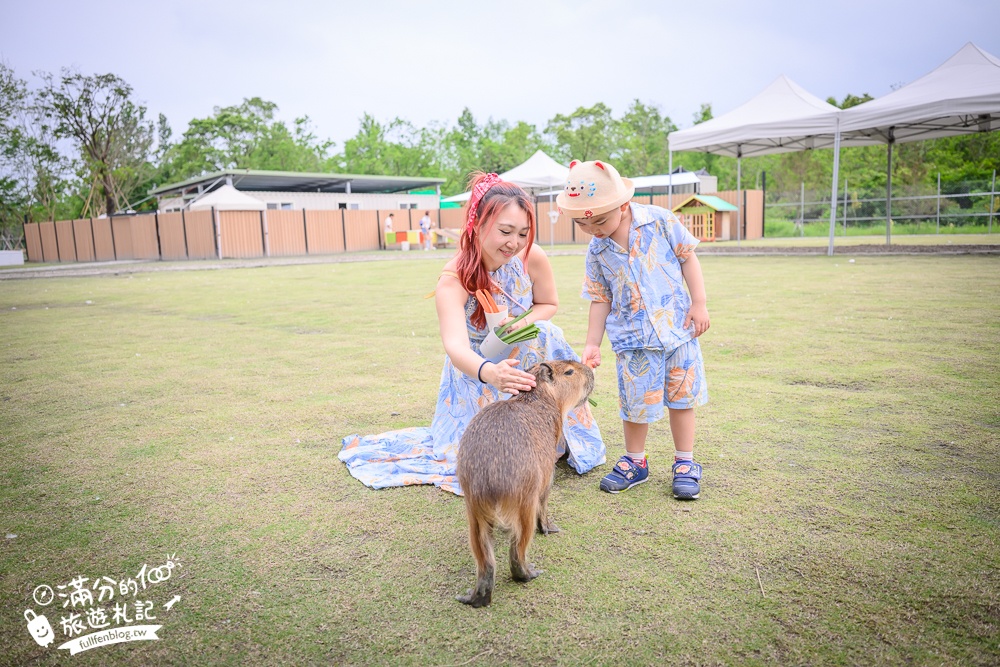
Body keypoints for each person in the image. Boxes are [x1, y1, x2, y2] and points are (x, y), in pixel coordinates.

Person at [340, 172, 605, 494]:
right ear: (476, 224)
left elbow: (548, 303)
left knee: (547, 335)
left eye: (523, 233)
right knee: (482, 456)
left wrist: (522, 323)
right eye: (505, 231)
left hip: (532, 354)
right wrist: (490, 372)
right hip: (478, 368)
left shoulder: (531, 256)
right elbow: (455, 346)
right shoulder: (454, 279)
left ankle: (557, 442)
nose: (515, 243)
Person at [556, 160, 710, 500]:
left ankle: (684, 462)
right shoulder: (597, 251)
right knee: (635, 404)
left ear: (622, 204)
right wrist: (592, 343)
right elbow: (600, 299)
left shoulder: (660, 220)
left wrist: (699, 303)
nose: (593, 228)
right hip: (633, 341)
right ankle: (635, 461)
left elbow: (688, 257)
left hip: (678, 331)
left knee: (682, 399)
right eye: (583, 223)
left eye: (599, 220)